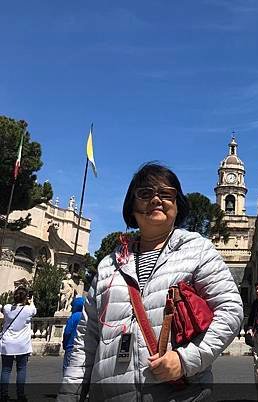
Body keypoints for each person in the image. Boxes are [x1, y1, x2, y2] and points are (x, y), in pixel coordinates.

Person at [59, 162, 244, 401]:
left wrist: (186, 359)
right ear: (132, 206)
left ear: (178, 205)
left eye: (167, 194)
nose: (156, 200)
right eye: (145, 194)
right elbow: (86, 339)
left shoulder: (198, 250)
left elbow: (231, 310)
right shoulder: (108, 265)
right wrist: (68, 394)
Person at [0, 287, 36, 402]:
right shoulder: (29, 310)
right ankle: (20, 395)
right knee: (21, 370)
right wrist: (31, 301)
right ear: (26, 298)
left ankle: (3, 395)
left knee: (6, 370)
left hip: (7, 343)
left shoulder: (7, 308)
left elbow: (4, 309)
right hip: (22, 344)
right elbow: (34, 310)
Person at [62, 296, 85, 374]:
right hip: (83, 347)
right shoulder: (86, 316)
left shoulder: (74, 316)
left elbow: (67, 332)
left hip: (71, 346)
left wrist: (65, 344)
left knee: (67, 370)